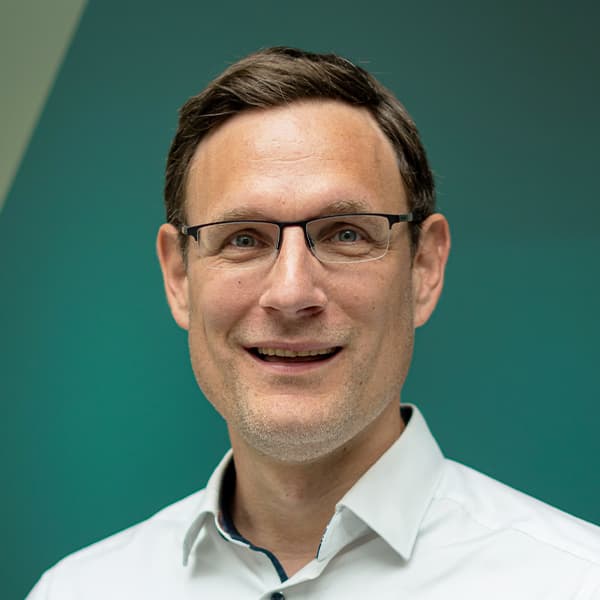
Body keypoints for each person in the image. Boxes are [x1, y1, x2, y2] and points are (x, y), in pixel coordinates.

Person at [27, 47, 600, 599]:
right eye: (243, 239)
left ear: (424, 267)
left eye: (346, 233)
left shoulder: (576, 583)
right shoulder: (76, 591)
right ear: (179, 276)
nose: (292, 293)